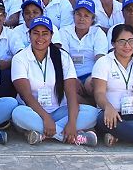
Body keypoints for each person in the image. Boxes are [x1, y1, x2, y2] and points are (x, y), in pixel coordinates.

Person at [10, 15, 99, 145]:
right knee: (18, 113)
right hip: (34, 112)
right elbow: (26, 97)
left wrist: (72, 123)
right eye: (36, 33)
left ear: (51, 36)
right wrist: (46, 118)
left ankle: (43, 134)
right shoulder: (20, 58)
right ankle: (74, 138)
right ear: (29, 35)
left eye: (45, 34)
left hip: (59, 111)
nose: (40, 38)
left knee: (92, 112)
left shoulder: (62, 56)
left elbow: (71, 94)